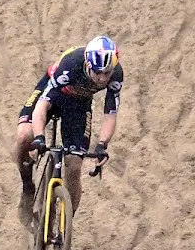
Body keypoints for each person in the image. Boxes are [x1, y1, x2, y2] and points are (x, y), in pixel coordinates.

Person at [16, 37, 120, 217]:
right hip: (52, 93)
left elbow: (110, 114)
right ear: (88, 64)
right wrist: (39, 137)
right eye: (98, 73)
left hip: (78, 104)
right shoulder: (70, 65)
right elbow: (42, 105)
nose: (103, 79)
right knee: (25, 135)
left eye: (107, 73)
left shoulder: (116, 73)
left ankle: (65, 225)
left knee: (74, 165)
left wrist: (102, 145)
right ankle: (27, 186)